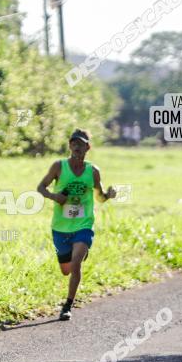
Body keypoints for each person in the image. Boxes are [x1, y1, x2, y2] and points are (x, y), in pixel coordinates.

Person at [37, 129, 116, 321]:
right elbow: (41, 187)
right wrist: (54, 196)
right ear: (69, 146)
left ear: (88, 147)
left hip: (83, 224)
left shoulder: (93, 171)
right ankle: (76, 256)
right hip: (60, 226)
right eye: (73, 143)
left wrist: (109, 195)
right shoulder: (58, 166)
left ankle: (67, 305)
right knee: (66, 270)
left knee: (76, 263)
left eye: (80, 144)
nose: (77, 147)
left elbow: (100, 197)